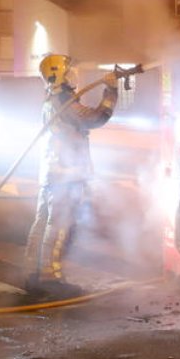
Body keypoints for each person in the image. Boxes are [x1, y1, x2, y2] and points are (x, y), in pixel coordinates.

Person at [24, 54, 119, 297]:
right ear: (57, 76)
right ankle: (50, 277)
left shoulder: (52, 99)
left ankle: (34, 274)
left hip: (53, 172)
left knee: (43, 223)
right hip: (66, 174)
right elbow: (95, 118)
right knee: (61, 225)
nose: (73, 75)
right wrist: (111, 91)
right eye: (68, 72)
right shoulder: (64, 100)